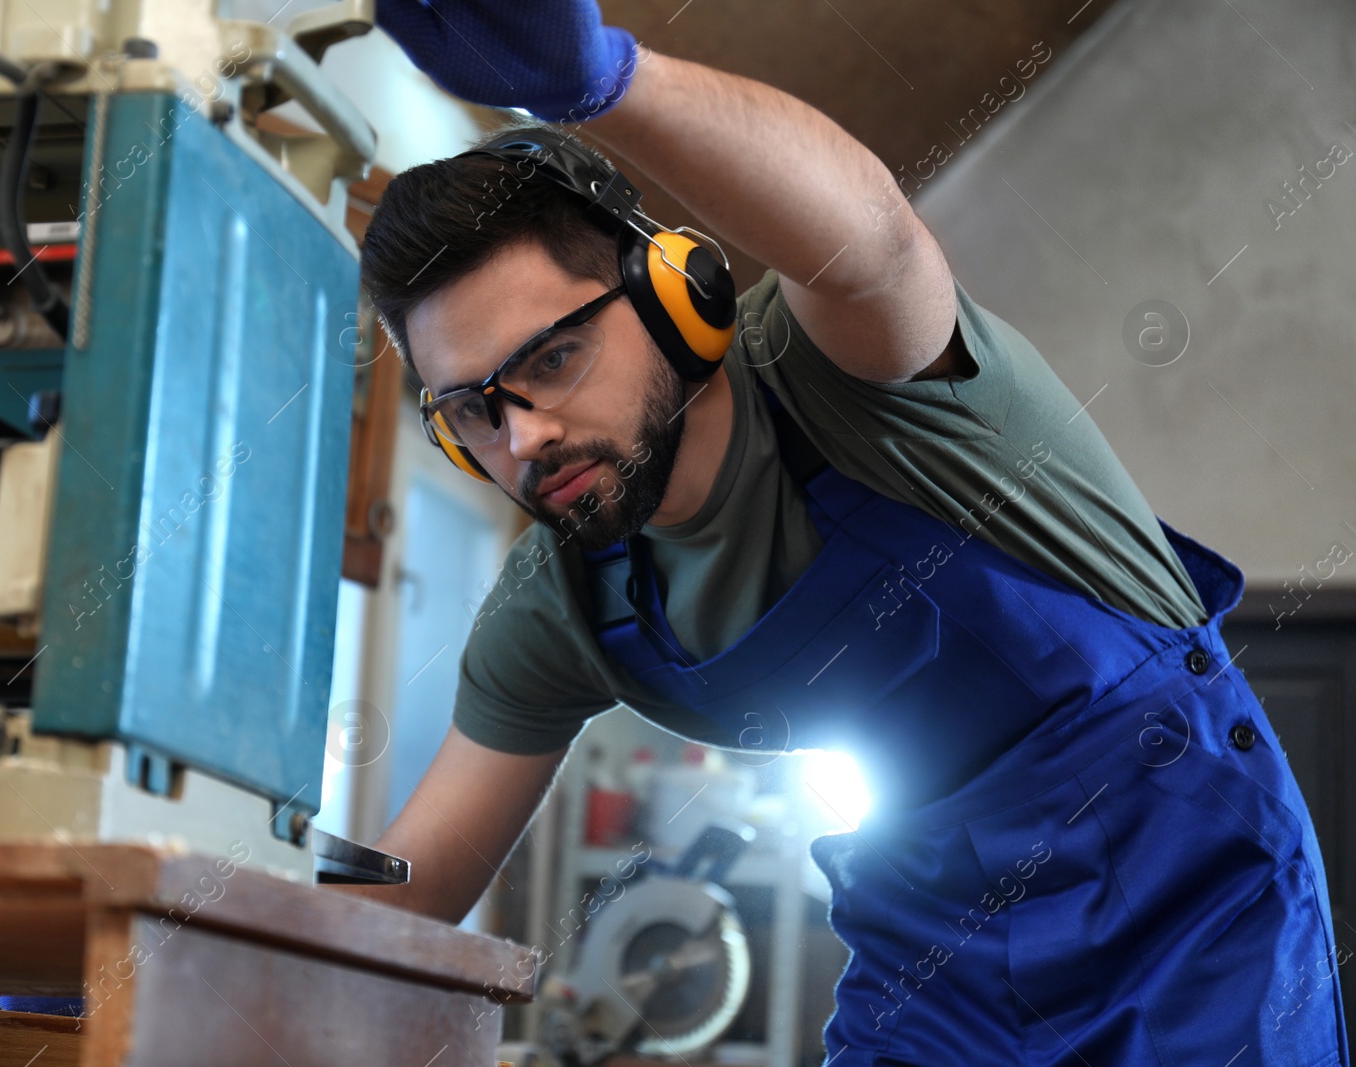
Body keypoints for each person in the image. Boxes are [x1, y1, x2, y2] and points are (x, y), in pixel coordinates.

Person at [344, 2, 1350, 1063]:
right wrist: (198, 900)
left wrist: (601, 85)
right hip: (933, 959)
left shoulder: (854, 379)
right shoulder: (563, 601)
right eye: (473, 410)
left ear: (674, 295)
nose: (526, 435)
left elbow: (870, 238)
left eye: (551, 359)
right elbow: (409, 888)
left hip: (1189, 905)